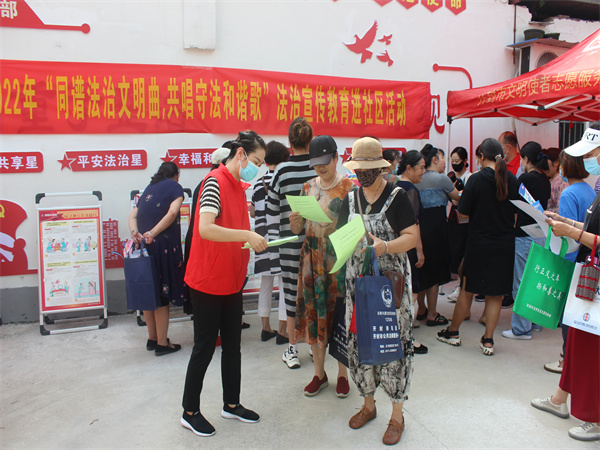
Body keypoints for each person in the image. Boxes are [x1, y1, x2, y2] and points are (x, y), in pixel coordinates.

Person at [181, 131, 267, 437]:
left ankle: (231, 403)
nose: (257, 168)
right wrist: (247, 235)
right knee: (204, 349)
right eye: (256, 161)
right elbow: (206, 228)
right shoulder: (214, 182)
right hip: (208, 281)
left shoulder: (238, 187)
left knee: (233, 347)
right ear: (241, 154)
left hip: (231, 280)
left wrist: (249, 242)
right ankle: (190, 411)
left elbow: (232, 231)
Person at [337, 137, 418, 445]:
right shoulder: (350, 199)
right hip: (358, 286)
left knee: (394, 344)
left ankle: (397, 417)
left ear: (381, 168)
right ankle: (368, 405)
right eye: (358, 170)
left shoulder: (397, 197)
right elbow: (343, 237)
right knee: (361, 343)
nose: (362, 175)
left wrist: (386, 246)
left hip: (389, 288)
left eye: (368, 169)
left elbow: (411, 237)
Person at [531, 122, 600, 442]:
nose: (588, 160)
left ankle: (594, 418)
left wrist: (570, 231)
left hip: (594, 281)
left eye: (592, 153)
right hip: (588, 278)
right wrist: (565, 221)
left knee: (589, 347)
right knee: (575, 340)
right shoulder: (597, 188)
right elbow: (592, 226)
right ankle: (560, 399)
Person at [437, 138, 519, 355]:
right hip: (504, 245)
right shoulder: (511, 179)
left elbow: (463, 212)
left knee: (467, 290)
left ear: (481, 156)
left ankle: (453, 332)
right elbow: (516, 213)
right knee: (495, 294)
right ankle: (488, 341)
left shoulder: (476, 180)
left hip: (479, 244)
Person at [290, 135, 355, 397]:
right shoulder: (307, 187)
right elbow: (298, 230)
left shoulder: (349, 188)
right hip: (311, 261)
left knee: (339, 317)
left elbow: (355, 228)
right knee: (315, 316)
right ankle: (319, 374)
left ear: (336, 158)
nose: (320, 167)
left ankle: (342, 374)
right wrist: (295, 221)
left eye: (325, 161)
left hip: (337, 260)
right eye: (316, 163)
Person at [266, 117, 316, 368]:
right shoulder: (319, 167)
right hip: (316, 242)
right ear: (310, 140)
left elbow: (272, 208)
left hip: (289, 243)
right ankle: (315, 346)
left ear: (290, 142)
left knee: (290, 294)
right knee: (314, 292)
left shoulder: (282, 170)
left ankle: (293, 349)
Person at [543, 150, 595, 374]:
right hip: (588, 259)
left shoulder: (568, 193)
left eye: (562, 163)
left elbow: (567, 239)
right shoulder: (589, 190)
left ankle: (566, 361)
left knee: (569, 316)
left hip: (572, 260)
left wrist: (561, 264)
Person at [128, 161, 185, 356]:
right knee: (162, 295)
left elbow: (132, 216)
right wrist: (152, 233)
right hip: (162, 246)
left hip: (144, 248)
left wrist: (135, 233)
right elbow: (172, 212)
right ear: (176, 175)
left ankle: (152, 339)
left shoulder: (148, 189)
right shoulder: (175, 187)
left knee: (148, 292)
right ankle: (162, 343)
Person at [502, 141, 551, 340]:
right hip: (541, 234)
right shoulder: (545, 180)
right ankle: (535, 322)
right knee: (536, 279)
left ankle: (521, 329)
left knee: (521, 281)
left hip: (524, 234)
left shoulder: (524, 179)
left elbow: (514, 205)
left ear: (526, 159)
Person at [415, 145, 460, 327]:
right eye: (443, 158)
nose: (445, 163)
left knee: (422, 270)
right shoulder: (442, 179)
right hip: (437, 230)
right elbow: (458, 198)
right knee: (434, 273)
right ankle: (433, 314)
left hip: (419, 230)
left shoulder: (417, 178)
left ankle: (421, 309)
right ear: (434, 159)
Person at [251, 140, 290, 342]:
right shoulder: (283, 180)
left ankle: (266, 328)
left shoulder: (258, 183)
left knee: (265, 283)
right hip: (280, 238)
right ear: (284, 159)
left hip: (261, 238)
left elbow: (252, 211)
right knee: (284, 283)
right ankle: (283, 330)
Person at [397, 150, 428, 354]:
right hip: (408, 248)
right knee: (412, 294)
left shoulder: (393, 186)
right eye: (421, 168)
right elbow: (414, 224)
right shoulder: (410, 190)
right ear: (409, 168)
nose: (423, 172)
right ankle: (406, 338)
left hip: (396, 247)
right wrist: (420, 250)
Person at [446, 147, 471, 302]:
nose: (455, 164)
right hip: (453, 218)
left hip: (465, 220)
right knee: (454, 252)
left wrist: (460, 199)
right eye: (453, 161)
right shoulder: (450, 177)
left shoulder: (470, 177)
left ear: (465, 161)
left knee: (463, 252)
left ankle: (461, 286)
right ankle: (458, 284)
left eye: (458, 161)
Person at [543, 147, 569, 214]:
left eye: (546, 163)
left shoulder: (561, 182)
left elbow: (560, 208)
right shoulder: (550, 180)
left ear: (556, 163)